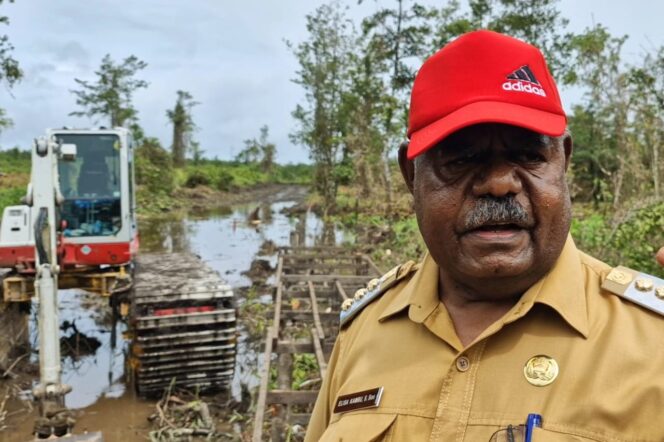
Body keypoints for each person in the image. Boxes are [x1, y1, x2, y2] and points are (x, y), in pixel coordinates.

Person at [305, 30, 664, 441]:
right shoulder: (366, 330)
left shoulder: (653, 343)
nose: (498, 184)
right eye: (462, 158)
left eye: (528, 155)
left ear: (562, 161)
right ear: (411, 175)